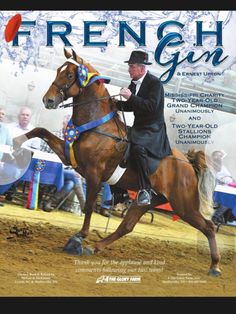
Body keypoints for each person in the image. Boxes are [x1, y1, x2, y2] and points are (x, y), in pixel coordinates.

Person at [115, 50, 172, 205]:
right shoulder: (133, 83)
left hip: (153, 129)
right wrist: (113, 104)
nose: (129, 69)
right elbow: (131, 106)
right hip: (139, 127)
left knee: (138, 149)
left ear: (141, 68)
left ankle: (145, 190)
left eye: (131, 66)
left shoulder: (155, 83)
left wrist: (130, 97)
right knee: (117, 144)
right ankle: (119, 190)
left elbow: (150, 107)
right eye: (129, 66)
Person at [41, 114, 85, 214]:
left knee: (71, 183)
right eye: (68, 124)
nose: (71, 127)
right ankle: (84, 206)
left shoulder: (74, 141)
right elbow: (43, 155)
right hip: (49, 168)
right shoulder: (53, 135)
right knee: (75, 177)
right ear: (63, 123)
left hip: (65, 172)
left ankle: (49, 202)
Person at [211, 150, 234, 224]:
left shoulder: (223, 167)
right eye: (217, 155)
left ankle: (218, 216)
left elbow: (229, 177)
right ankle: (215, 216)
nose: (218, 157)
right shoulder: (210, 165)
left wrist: (231, 180)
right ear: (213, 156)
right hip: (214, 189)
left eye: (220, 156)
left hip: (224, 189)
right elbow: (218, 177)